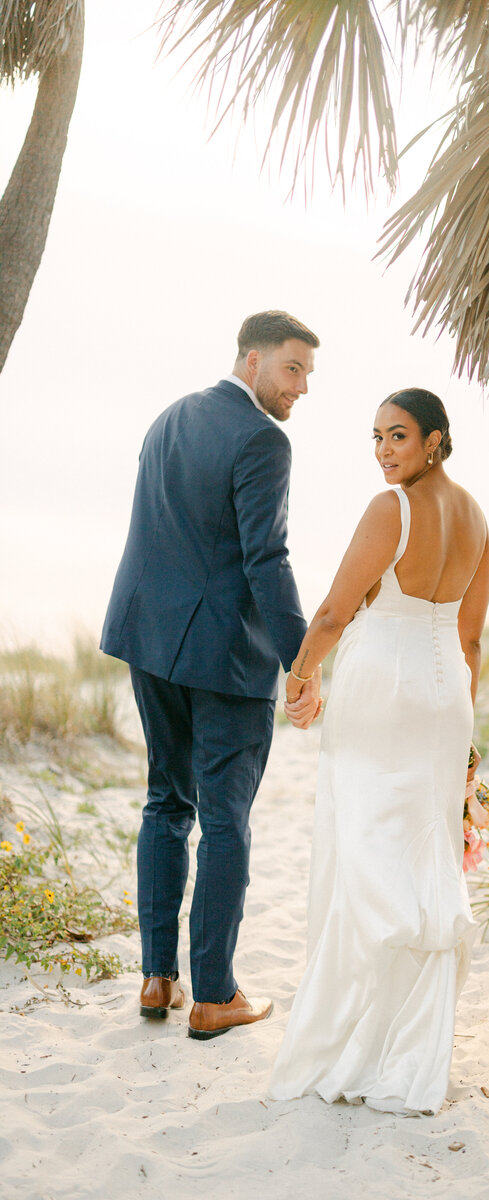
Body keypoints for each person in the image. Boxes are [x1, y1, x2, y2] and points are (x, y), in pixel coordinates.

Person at [269, 387, 489, 1115]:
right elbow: (471, 639)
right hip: (445, 696)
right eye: (375, 437)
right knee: (422, 857)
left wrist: (300, 678)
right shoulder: (479, 520)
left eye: (398, 436)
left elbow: (335, 610)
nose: (383, 451)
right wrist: (465, 732)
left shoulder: (389, 510)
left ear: (435, 440)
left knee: (365, 851)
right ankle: (411, 1048)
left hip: (382, 692)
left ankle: (353, 1045)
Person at [100, 310, 321, 1040]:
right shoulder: (263, 438)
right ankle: (216, 995)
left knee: (166, 802)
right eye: (292, 369)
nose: (301, 388)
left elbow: (164, 530)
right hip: (223, 658)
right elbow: (268, 559)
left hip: (149, 639)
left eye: (308, 375)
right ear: (251, 359)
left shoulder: (169, 418)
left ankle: (158, 977)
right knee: (224, 818)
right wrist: (301, 657)